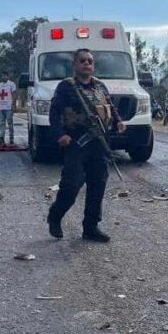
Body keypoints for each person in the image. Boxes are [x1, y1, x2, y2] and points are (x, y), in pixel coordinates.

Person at [46, 48, 126, 242]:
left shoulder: (100, 86)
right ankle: (55, 215)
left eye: (90, 61)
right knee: (71, 185)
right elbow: (54, 113)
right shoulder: (66, 87)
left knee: (97, 186)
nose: (86, 64)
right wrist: (60, 134)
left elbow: (110, 107)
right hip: (76, 143)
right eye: (82, 61)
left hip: (99, 144)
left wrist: (118, 121)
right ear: (75, 65)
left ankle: (90, 227)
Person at [0, 71, 17, 145]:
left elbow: (14, 94)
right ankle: (2, 138)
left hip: (8, 107)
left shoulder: (11, 84)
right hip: (1, 107)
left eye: (5, 76)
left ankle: (11, 139)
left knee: (10, 123)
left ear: (8, 76)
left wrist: (13, 105)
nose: (3, 77)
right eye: (2, 76)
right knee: (2, 123)